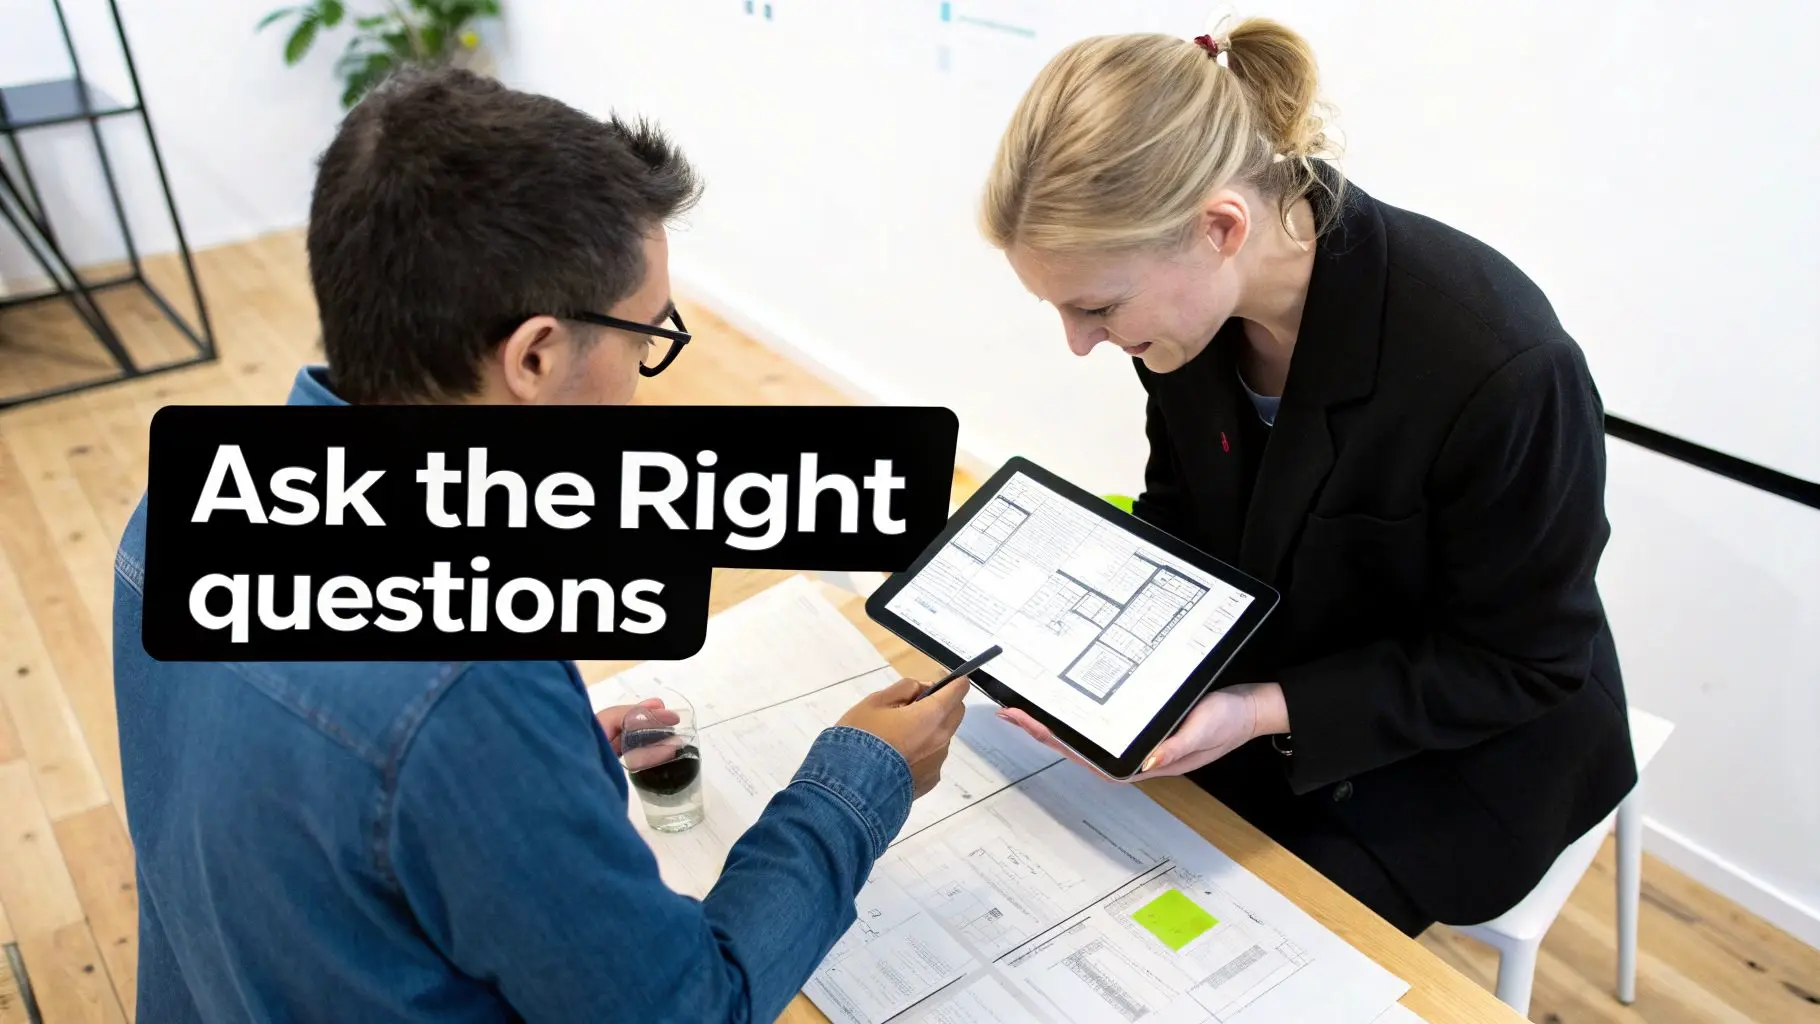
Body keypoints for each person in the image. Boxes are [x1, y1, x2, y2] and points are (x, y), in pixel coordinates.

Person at [110, 67, 971, 1022]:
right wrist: (856, 782)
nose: (646, 377)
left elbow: (296, 817)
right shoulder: (462, 687)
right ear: (534, 356)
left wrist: (526, 783)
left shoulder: (179, 505)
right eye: (645, 338)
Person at [980, 20, 1637, 937]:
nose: (1080, 342)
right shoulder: (1184, 329)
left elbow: (1523, 662)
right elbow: (1186, 511)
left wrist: (1256, 710)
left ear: (1220, 228)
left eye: (1096, 306)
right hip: (1270, 683)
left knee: (1207, 957)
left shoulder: (1498, 365)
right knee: (1056, 862)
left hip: (1454, 751)